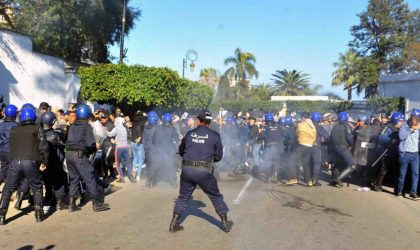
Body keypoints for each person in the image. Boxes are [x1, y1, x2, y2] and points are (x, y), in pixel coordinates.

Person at [170, 110, 233, 233]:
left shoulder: (189, 134)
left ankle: (173, 224)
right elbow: (218, 156)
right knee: (215, 196)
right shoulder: (215, 136)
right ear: (209, 122)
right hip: (203, 171)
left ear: (198, 121)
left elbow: (181, 151)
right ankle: (225, 224)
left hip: (187, 170)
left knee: (183, 197)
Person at [0, 107, 49, 224]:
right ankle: (38, 214)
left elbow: (12, 145)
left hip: (15, 161)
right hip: (31, 161)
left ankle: (1, 216)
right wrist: (44, 162)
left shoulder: (15, 129)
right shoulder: (38, 129)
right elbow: (44, 147)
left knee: (8, 188)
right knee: (37, 187)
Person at [65, 104, 109, 212]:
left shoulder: (72, 126)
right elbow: (90, 144)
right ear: (87, 115)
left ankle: (72, 204)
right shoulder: (87, 126)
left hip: (69, 154)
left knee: (74, 179)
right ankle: (96, 204)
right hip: (79, 155)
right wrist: (94, 148)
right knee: (89, 177)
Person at [41, 111, 68, 210]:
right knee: (59, 182)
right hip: (55, 162)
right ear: (52, 122)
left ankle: (48, 199)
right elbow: (63, 145)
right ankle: (59, 203)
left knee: (47, 182)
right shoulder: (55, 134)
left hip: (43, 163)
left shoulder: (39, 134)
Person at [373, 112, 404, 191]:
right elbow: (381, 137)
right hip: (386, 152)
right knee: (383, 170)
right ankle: (377, 185)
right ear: (396, 120)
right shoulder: (388, 127)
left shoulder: (402, 129)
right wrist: (390, 140)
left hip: (396, 152)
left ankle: (395, 188)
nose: (402, 122)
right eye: (400, 121)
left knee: (395, 170)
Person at [395, 114, 420, 199]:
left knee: (415, 174)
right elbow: (401, 137)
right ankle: (399, 191)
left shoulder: (419, 127)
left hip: (415, 154)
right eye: (413, 122)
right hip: (405, 153)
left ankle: (413, 192)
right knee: (402, 174)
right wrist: (411, 129)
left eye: (416, 123)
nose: (414, 124)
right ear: (410, 120)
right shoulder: (404, 126)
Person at [106, 117, 135, 183]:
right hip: (126, 147)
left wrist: (105, 131)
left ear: (117, 122)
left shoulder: (116, 128)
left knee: (117, 163)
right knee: (128, 163)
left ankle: (122, 178)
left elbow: (110, 134)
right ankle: (132, 177)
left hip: (119, 147)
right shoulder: (125, 128)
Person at [330, 112, 356, 186]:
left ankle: (333, 179)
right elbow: (350, 139)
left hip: (335, 148)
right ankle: (338, 179)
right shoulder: (346, 127)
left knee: (339, 164)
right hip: (343, 148)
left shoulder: (334, 127)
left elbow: (331, 137)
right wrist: (353, 143)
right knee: (352, 165)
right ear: (346, 119)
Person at [0, 105, 18, 187]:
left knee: (3, 169)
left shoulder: (1, 125)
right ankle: (10, 188)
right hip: (11, 151)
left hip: (2, 151)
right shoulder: (17, 126)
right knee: (13, 170)